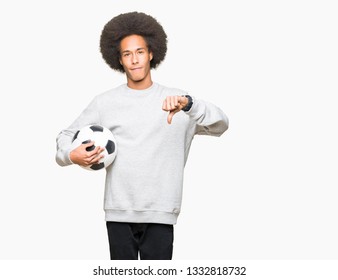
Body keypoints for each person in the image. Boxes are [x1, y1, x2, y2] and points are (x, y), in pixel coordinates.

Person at [55, 11, 229, 260]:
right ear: (120, 59)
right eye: (127, 54)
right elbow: (65, 135)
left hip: (161, 213)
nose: (134, 60)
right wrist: (71, 155)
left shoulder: (178, 101)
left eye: (139, 52)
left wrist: (190, 105)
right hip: (118, 214)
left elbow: (221, 125)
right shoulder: (105, 102)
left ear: (151, 53)